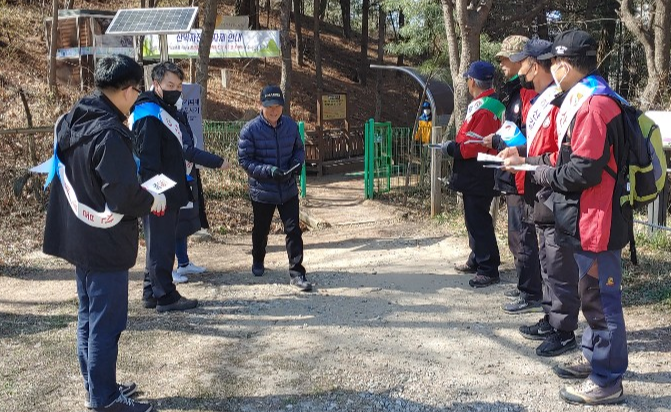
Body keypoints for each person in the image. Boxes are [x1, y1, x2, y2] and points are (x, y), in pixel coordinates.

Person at [508, 30, 630, 405]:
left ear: (564, 64)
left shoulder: (594, 106)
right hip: (587, 217)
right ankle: (595, 359)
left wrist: (539, 172)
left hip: (598, 218)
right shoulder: (587, 98)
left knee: (600, 298)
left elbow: (581, 170)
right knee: (590, 292)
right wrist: (533, 162)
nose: (554, 69)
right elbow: (566, 158)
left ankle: (607, 380)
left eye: (557, 63)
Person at [42, 54, 159, 412]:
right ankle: (105, 399)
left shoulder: (75, 118)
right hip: (104, 241)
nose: (137, 98)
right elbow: (121, 193)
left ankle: (96, 385)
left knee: (89, 317)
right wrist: (151, 198)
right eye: (137, 91)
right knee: (106, 324)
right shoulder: (109, 133)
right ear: (126, 91)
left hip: (79, 237)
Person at [499, 39, 581, 358]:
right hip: (538, 185)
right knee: (547, 262)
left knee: (558, 262)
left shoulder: (559, 101)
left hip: (552, 188)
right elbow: (536, 146)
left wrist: (528, 160)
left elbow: (558, 153)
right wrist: (518, 152)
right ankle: (551, 317)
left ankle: (564, 330)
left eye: (523, 63)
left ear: (535, 64)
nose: (519, 69)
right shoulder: (539, 99)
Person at [131, 62, 198, 312]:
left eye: (179, 86)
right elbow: (147, 159)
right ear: (156, 84)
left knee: (158, 243)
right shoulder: (149, 113)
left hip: (168, 189)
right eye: (170, 85)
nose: (176, 90)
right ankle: (166, 295)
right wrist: (155, 192)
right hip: (158, 192)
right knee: (162, 245)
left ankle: (151, 291)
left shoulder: (164, 109)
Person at [485, 35, 542, 313]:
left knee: (522, 235)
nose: (502, 64)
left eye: (506, 58)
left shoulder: (528, 94)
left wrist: (501, 144)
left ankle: (531, 291)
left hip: (523, 176)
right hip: (511, 174)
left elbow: (529, 138)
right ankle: (526, 285)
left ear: (523, 59)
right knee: (517, 234)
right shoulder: (512, 94)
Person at [238, 85, 312, 292]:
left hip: (287, 189)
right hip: (263, 190)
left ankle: (297, 272)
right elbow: (245, 160)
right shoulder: (250, 130)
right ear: (261, 105)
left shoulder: (290, 125)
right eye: (269, 106)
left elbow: (299, 150)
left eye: (278, 106)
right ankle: (258, 259)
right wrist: (269, 170)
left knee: (293, 230)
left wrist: (296, 166)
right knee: (261, 230)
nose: (274, 110)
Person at [437, 61, 503, 288]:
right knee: (473, 219)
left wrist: (454, 148)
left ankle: (488, 267)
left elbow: (474, 143)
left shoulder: (487, 108)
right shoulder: (484, 104)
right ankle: (477, 258)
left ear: (473, 81)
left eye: (467, 79)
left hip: (479, 170)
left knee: (479, 220)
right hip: (474, 170)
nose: (466, 82)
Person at [172, 105, 230, 284]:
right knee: (169, 227)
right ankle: (165, 270)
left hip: (185, 175)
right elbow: (187, 150)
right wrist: (217, 161)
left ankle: (183, 262)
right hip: (171, 177)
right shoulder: (165, 117)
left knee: (181, 223)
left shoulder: (179, 116)